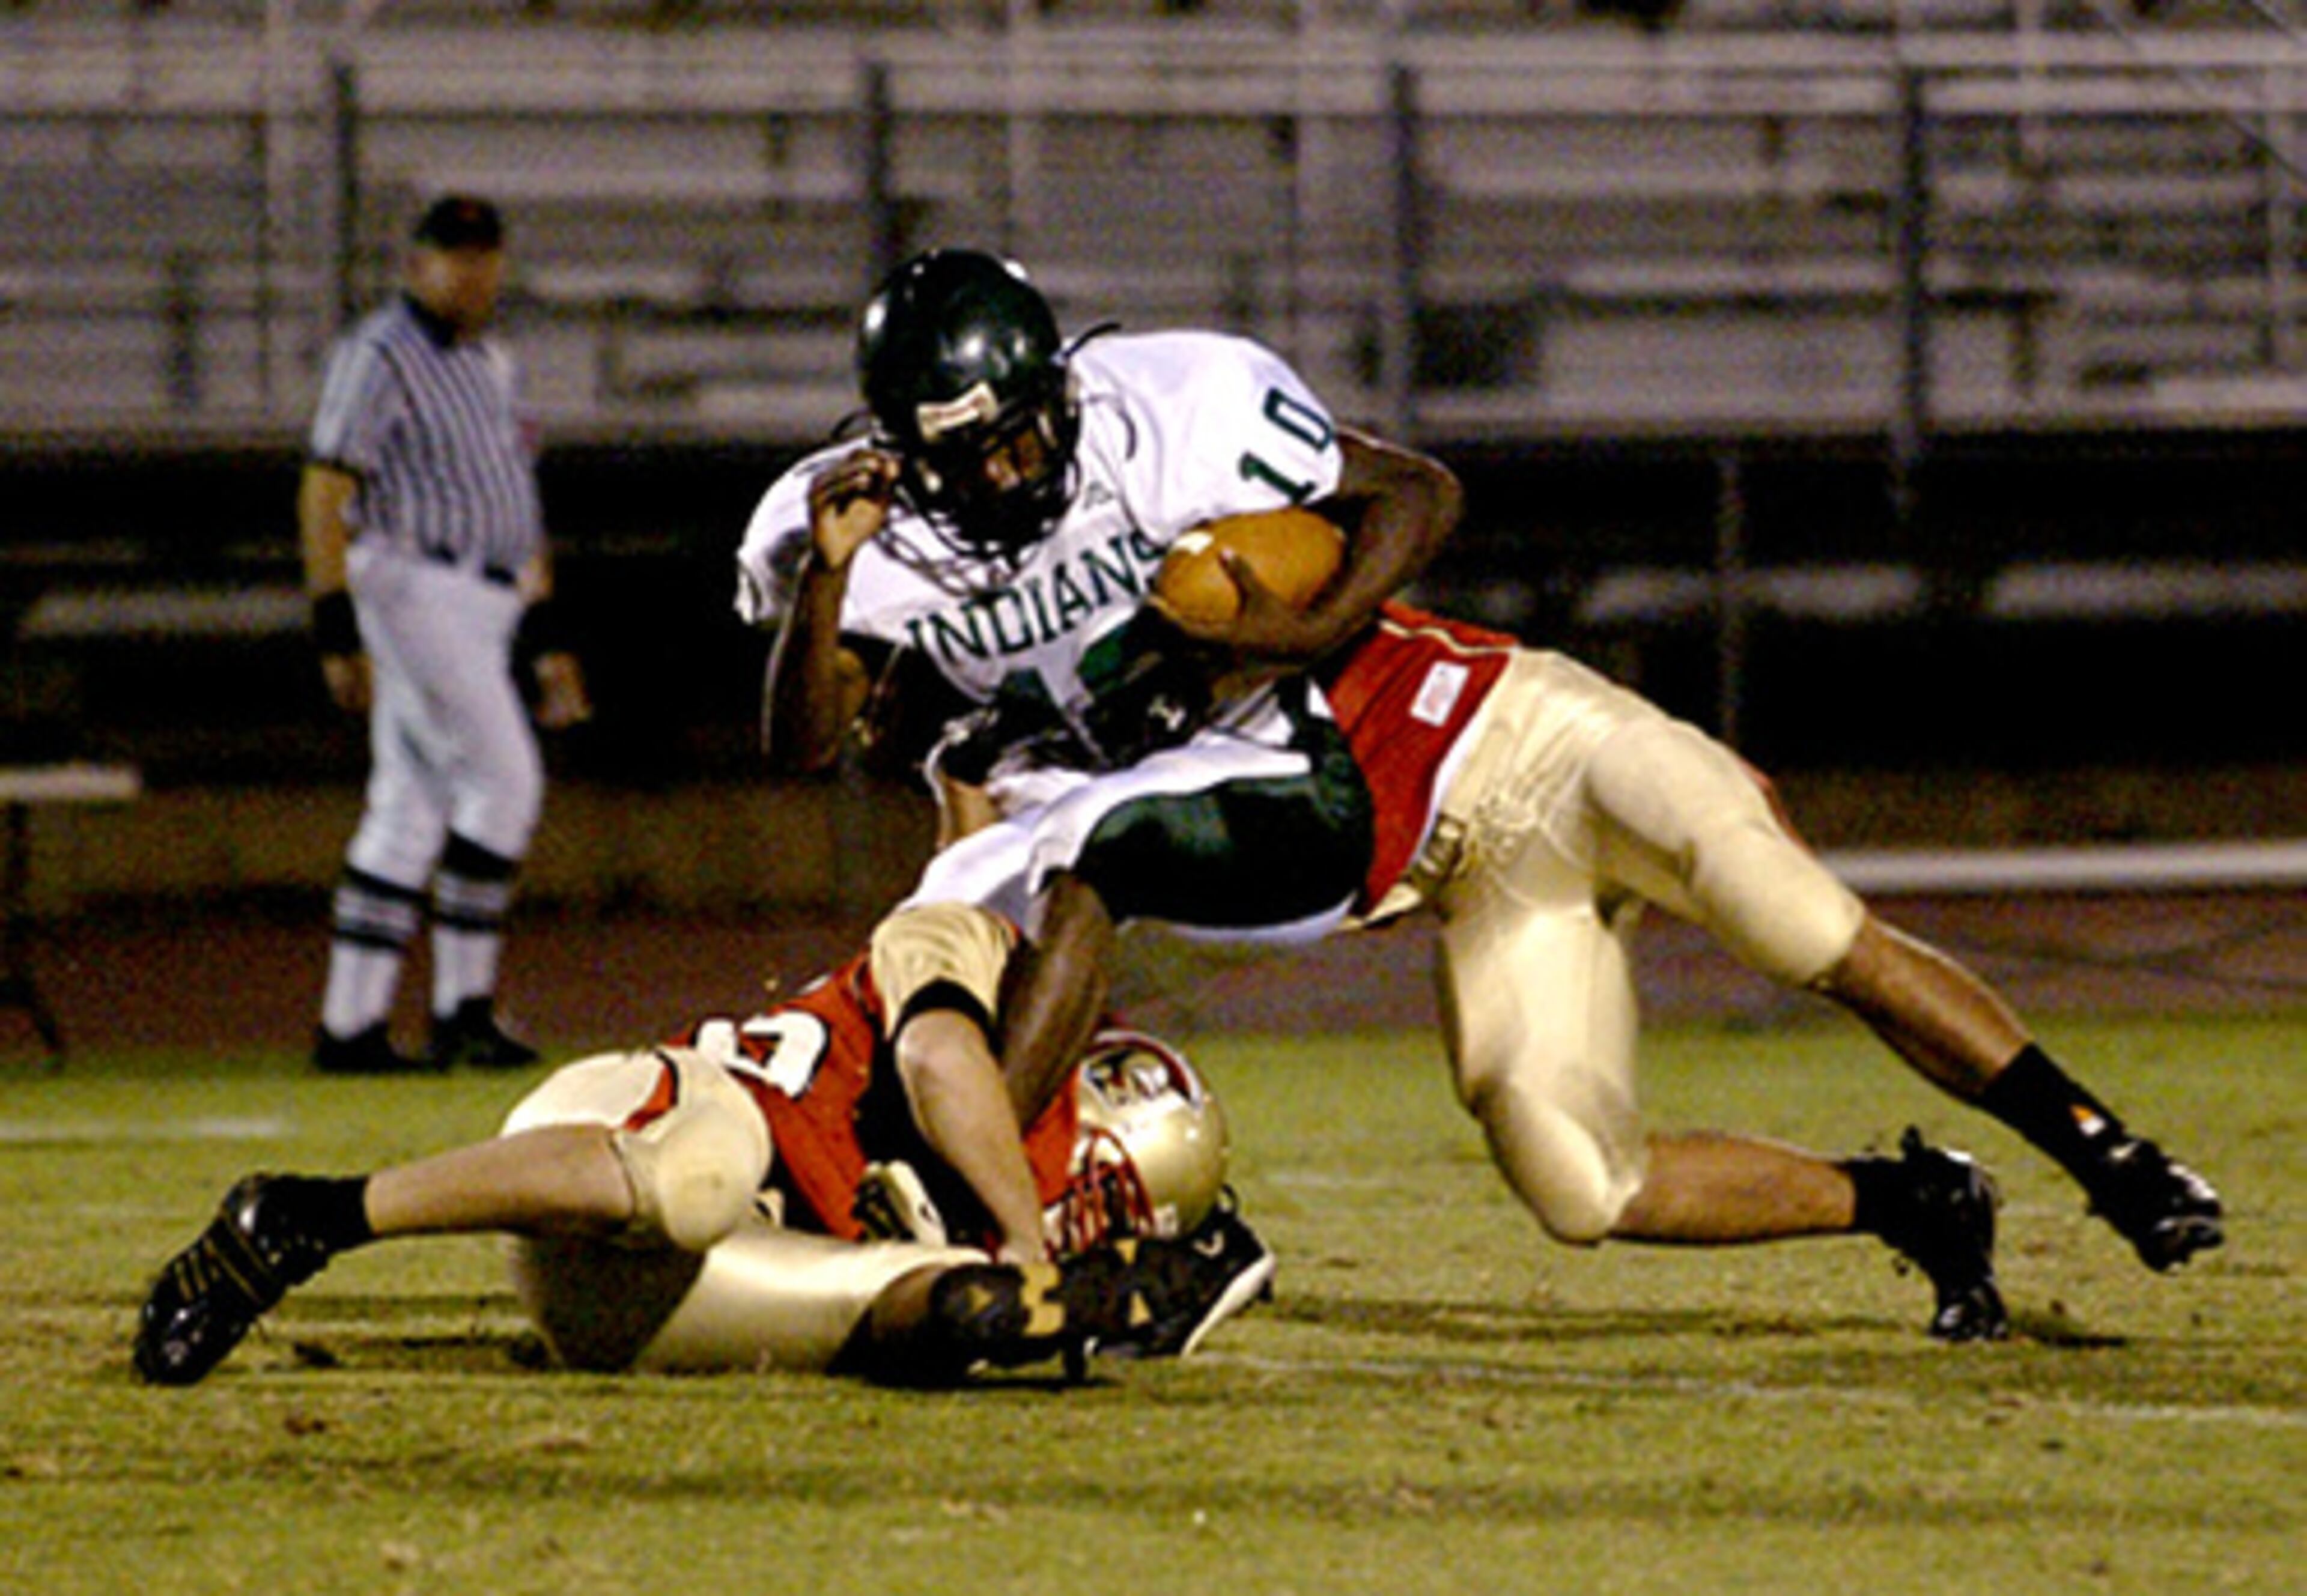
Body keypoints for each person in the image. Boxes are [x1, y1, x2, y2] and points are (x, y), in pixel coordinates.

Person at [741, 250, 2222, 1343]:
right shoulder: (882, 551)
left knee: (1796, 918)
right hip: (1425, 853)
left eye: (1022, 431)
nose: (1009, 470)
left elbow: (1411, 497)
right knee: (1585, 1186)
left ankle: (2113, 1156)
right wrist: (834, 580)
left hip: (1512, 735)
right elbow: (833, 748)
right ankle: (1914, 1201)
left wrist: (1283, 632)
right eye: (972, 453)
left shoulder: (1175, 423)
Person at [132, 900, 1274, 1388]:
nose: (1096, 1233)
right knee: (694, 1179)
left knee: (959, 1308)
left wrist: (1050, 1310)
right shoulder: (974, 942)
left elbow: (978, 1304)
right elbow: (936, 1066)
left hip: (658, 1306)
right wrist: (1029, 1241)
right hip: (653, 1119)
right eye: (1107, 1206)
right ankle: (300, 1218)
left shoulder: (1007, 1228)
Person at [300, 193, 591, 1076]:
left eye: (482, 254)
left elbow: (515, 504)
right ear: (416, 262)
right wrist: (334, 619)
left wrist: (545, 636)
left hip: (485, 593)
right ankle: (462, 1007)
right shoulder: (379, 352)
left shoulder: (491, 362)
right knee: (504, 781)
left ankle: (350, 1023)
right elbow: (325, 485)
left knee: (410, 808)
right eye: (452, 253)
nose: (470, 270)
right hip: (412, 579)